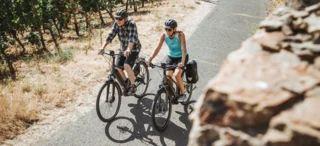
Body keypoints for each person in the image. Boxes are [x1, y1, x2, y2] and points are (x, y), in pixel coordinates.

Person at [99, 9, 142, 95]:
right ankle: (126, 83)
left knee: (126, 65)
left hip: (133, 48)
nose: (118, 21)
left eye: (120, 19)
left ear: (125, 19)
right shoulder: (116, 24)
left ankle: (133, 86)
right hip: (123, 49)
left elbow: (132, 38)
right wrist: (102, 47)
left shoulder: (131, 24)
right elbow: (110, 35)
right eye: (116, 18)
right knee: (117, 67)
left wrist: (129, 49)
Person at [146, 19, 188, 102]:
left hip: (181, 57)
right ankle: (172, 94)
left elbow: (183, 49)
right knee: (168, 77)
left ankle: (183, 94)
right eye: (166, 29)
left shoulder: (180, 35)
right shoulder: (164, 35)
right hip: (171, 57)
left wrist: (182, 62)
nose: (167, 31)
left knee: (176, 75)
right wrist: (150, 59)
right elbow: (157, 48)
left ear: (174, 29)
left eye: (169, 29)